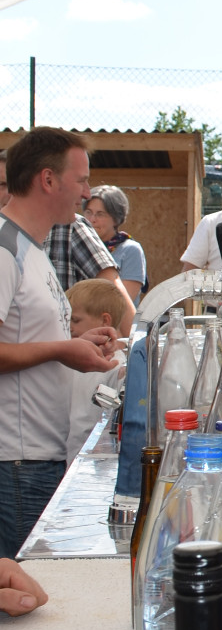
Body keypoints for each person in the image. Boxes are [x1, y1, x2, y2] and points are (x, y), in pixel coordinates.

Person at [0, 128, 122, 556]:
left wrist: (78, 344)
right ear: (48, 180)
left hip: (38, 455)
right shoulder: (4, 248)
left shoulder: (34, 251)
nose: (87, 193)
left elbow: (26, 337)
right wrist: (60, 349)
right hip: (16, 460)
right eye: (82, 180)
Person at [64, 278, 134, 462]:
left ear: (105, 320)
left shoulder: (116, 368)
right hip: (63, 458)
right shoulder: (68, 359)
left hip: (92, 461)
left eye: (76, 320)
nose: (70, 326)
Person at [82, 185, 147, 303]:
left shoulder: (130, 250)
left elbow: (123, 304)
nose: (92, 219)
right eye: (88, 212)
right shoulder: (79, 247)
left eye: (100, 214)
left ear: (116, 218)